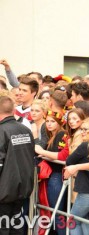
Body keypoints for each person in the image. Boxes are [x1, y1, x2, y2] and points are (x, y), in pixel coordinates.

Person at [0, 96, 35, 235]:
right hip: (22, 189)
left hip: (4, 192)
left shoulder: (2, 131)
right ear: (13, 110)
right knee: (15, 226)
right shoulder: (25, 130)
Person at [65, 117, 89, 235]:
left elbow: (69, 161)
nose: (82, 132)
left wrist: (77, 166)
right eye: (81, 129)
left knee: (72, 222)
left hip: (87, 191)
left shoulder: (85, 146)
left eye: (85, 129)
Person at [35, 110, 68, 235]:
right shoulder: (52, 135)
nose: (49, 124)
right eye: (47, 121)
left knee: (57, 212)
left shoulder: (61, 134)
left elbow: (61, 156)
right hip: (52, 176)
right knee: (52, 211)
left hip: (57, 176)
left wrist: (41, 152)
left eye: (52, 121)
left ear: (60, 123)